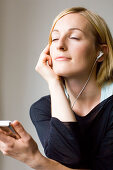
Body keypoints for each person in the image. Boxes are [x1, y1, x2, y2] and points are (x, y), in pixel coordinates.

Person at [0, 7, 113, 170]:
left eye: (74, 37)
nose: (60, 45)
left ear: (100, 52)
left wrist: (35, 159)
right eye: (54, 38)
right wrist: (54, 82)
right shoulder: (42, 108)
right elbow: (66, 159)